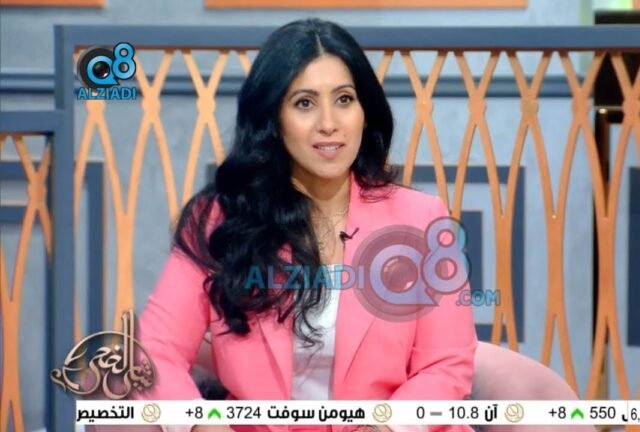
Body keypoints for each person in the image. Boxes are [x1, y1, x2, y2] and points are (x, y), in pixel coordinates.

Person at [136, 18, 478, 432]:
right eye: (304, 103)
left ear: (364, 112)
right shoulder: (218, 221)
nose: (329, 123)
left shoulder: (420, 219)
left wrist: (385, 427)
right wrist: (201, 424)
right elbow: (154, 351)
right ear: (273, 119)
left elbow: (446, 365)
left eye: (344, 99)